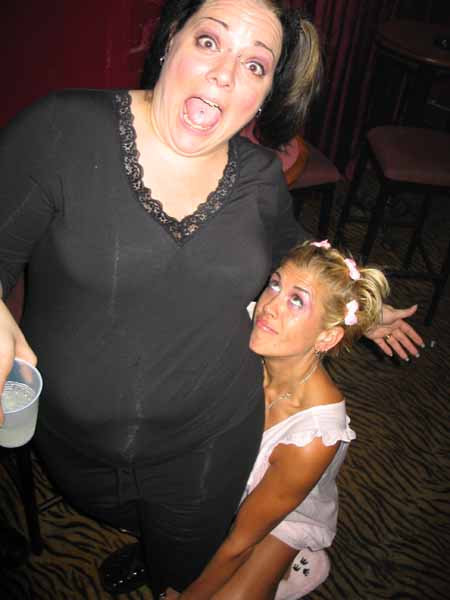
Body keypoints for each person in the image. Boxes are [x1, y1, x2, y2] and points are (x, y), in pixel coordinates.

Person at [0, 0, 423, 596]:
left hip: (210, 440)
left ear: (266, 93)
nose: (225, 75)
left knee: (186, 565)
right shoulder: (62, 130)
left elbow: (293, 248)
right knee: (128, 519)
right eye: (208, 42)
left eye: (255, 65)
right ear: (170, 39)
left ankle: (166, 565)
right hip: (74, 445)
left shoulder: (258, 175)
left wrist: (359, 305)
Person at [168, 240, 389, 599]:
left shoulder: (313, 436)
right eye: (275, 284)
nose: (270, 306)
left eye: (297, 301)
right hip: (221, 477)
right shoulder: (255, 327)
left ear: (327, 336)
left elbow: (239, 543)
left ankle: (293, 562)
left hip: (285, 510)